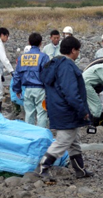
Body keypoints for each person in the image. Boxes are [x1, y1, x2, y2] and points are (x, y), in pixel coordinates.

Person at [37, 36, 93, 182]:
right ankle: (43, 167)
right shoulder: (67, 66)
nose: (79, 53)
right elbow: (71, 92)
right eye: (78, 50)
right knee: (63, 140)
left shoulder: (54, 63)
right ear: (73, 50)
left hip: (56, 107)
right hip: (66, 109)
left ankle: (79, 170)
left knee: (73, 139)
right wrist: (83, 111)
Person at [12, 33, 50, 128]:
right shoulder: (44, 57)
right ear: (41, 43)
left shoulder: (22, 57)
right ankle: (41, 136)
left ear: (29, 42)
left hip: (27, 89)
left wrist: (17, 89)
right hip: (40, 90)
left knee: (29, 113)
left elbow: (17, 75)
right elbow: (47, 75)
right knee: (41, 113)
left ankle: (30, 135)